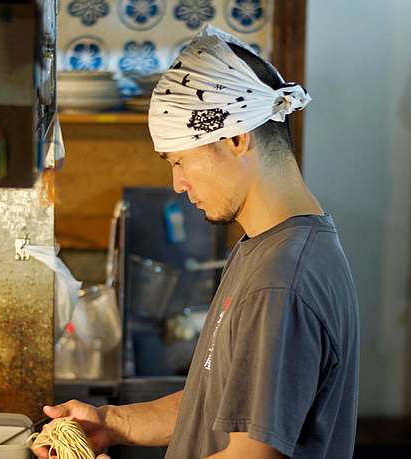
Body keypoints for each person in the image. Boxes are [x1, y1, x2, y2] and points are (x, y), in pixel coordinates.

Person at [34, 26, 359, 459]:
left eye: (181, 160)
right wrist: (111, 423)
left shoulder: (280, 282)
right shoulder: (265, 250)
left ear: (236, 139)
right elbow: (219, 404)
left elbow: (250, 456)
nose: (178, 182)